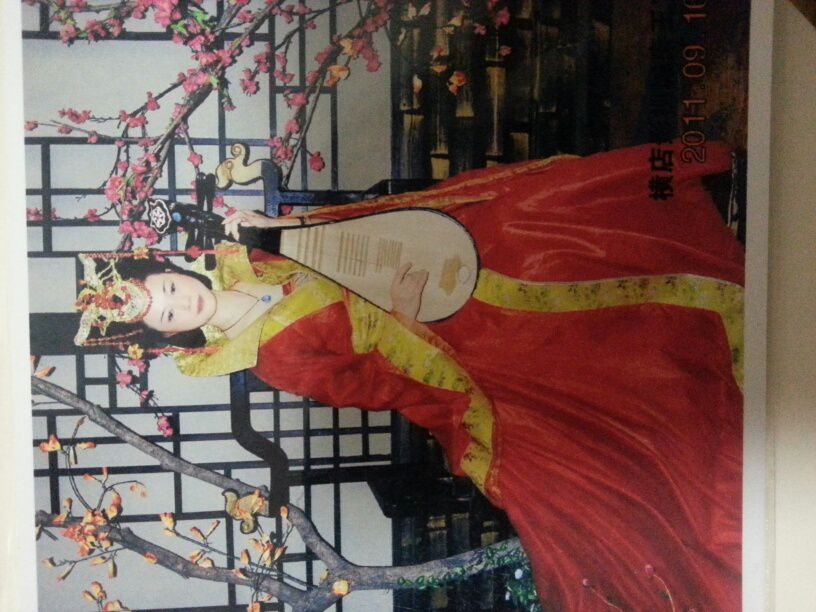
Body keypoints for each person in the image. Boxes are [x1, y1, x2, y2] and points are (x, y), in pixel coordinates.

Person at [75, 142, 744, 610]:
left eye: (167, 287)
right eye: (166, 314)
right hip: (440, 353)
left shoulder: (252, 255)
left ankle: (680, 223)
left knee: (517, 221)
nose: (180, 301)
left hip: (431, 259)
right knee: (553, 438)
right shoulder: (273, 361)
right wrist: (403, 317)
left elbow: (352, 231)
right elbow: (374, 385)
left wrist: (277, 226)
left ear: (172, 268)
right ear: (172, 335)